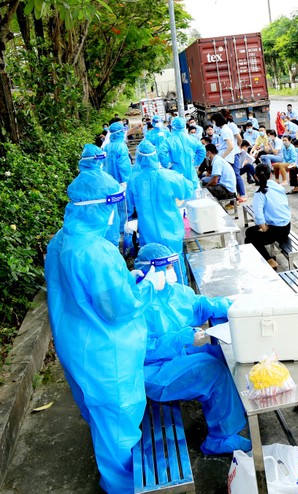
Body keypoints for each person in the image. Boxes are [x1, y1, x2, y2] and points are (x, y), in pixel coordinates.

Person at [45, 170, 164, 494]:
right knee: (119, 424)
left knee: (101, 419)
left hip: (76, 347)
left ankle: (116, 476)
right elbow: (118, 308)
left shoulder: (59, 242)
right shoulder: (95, 251)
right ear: (99, 208)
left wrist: (131, 278)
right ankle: (124, 486)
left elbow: (82, 293)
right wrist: (148, 286)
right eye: (111, 206)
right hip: (106, 354)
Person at [133, 243, 252, 455]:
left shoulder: (174, 292)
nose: (171, 272)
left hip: (178, 356)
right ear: (150, 270)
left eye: (171, 266)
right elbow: (143, 351)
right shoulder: (137, 305)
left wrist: (230, 306)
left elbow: (198, 305)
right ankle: (221, 439)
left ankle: (232, 412)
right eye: (165, 267)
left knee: (224, 357)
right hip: (154, 370)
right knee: (213, 371)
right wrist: (183, 337)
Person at [128, 140, 194, 282]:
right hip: (172, 229)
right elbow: (188, 190)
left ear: (138, 158)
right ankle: (183, 295)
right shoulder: (169, 176)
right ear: (155, 156)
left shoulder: (133, 180)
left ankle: (158, 298)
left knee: (152, 267)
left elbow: (130, 205)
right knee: (175, 264)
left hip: (147, 231)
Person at [245, 164, 292, 269]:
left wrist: (263, 226)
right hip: (286, 227)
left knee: (249, 237)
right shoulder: (279, 187)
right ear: (271, 174)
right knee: (251, 233)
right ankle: (268, 259)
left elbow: (258, 213)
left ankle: (269, 260)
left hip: (275, 230)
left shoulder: (260, 192)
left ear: (255, 176)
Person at [164, 116, 205, 194]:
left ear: (172, 127)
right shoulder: (192, 139)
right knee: (193, 194)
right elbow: (202, 150)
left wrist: (167, 165)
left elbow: (161, 153)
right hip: (190, 170)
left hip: (176, 170)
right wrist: (196, 162)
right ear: (184, 126)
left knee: (178, 195)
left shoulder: (169, 140)